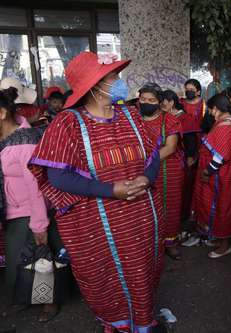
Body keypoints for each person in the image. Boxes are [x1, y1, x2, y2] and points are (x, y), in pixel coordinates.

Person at [29, 51, 165, 332]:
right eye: (112, 77)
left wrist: (146, 177)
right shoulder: (67, 123)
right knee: (108, 278)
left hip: (141, 218)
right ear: (94, 85)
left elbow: (152, 155)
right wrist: (109, 189)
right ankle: (118, 324)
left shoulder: (130, 115)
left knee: (143, 272)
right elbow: (57, 176)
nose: (119, 81)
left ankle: (143, 322)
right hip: (98, 226)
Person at [0, 87, 63, 322]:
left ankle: (49, 302)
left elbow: (36, 186)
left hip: (31, 211)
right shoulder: (5, 138)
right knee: (21, 259)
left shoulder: (25, 143)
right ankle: (30, 297)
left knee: (41, 257)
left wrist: (39, 225)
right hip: (14, 210)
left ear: (2, 113)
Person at [192, 94, 231, 258]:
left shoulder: (225, 126)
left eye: (210, 109)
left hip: (221, 178)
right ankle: (219, 239)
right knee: (220, 208)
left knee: (222, 209)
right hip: (225, 176)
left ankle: (225, 245)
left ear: (216, 108)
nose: (210, 113)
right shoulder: (228, 123)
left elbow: (220, 156)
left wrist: (206, 172)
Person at [139, 83, 184, 261]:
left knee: (169, 206)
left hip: (168, 171)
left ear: (159, 102)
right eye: (143, 99)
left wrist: (148, 162)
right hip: (140, 170)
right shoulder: (134, 119)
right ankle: (150, 244)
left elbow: (171, 147)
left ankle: (170, 242)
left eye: (151, 100)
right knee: (145, 207)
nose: (146, 103)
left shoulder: (170, 120)